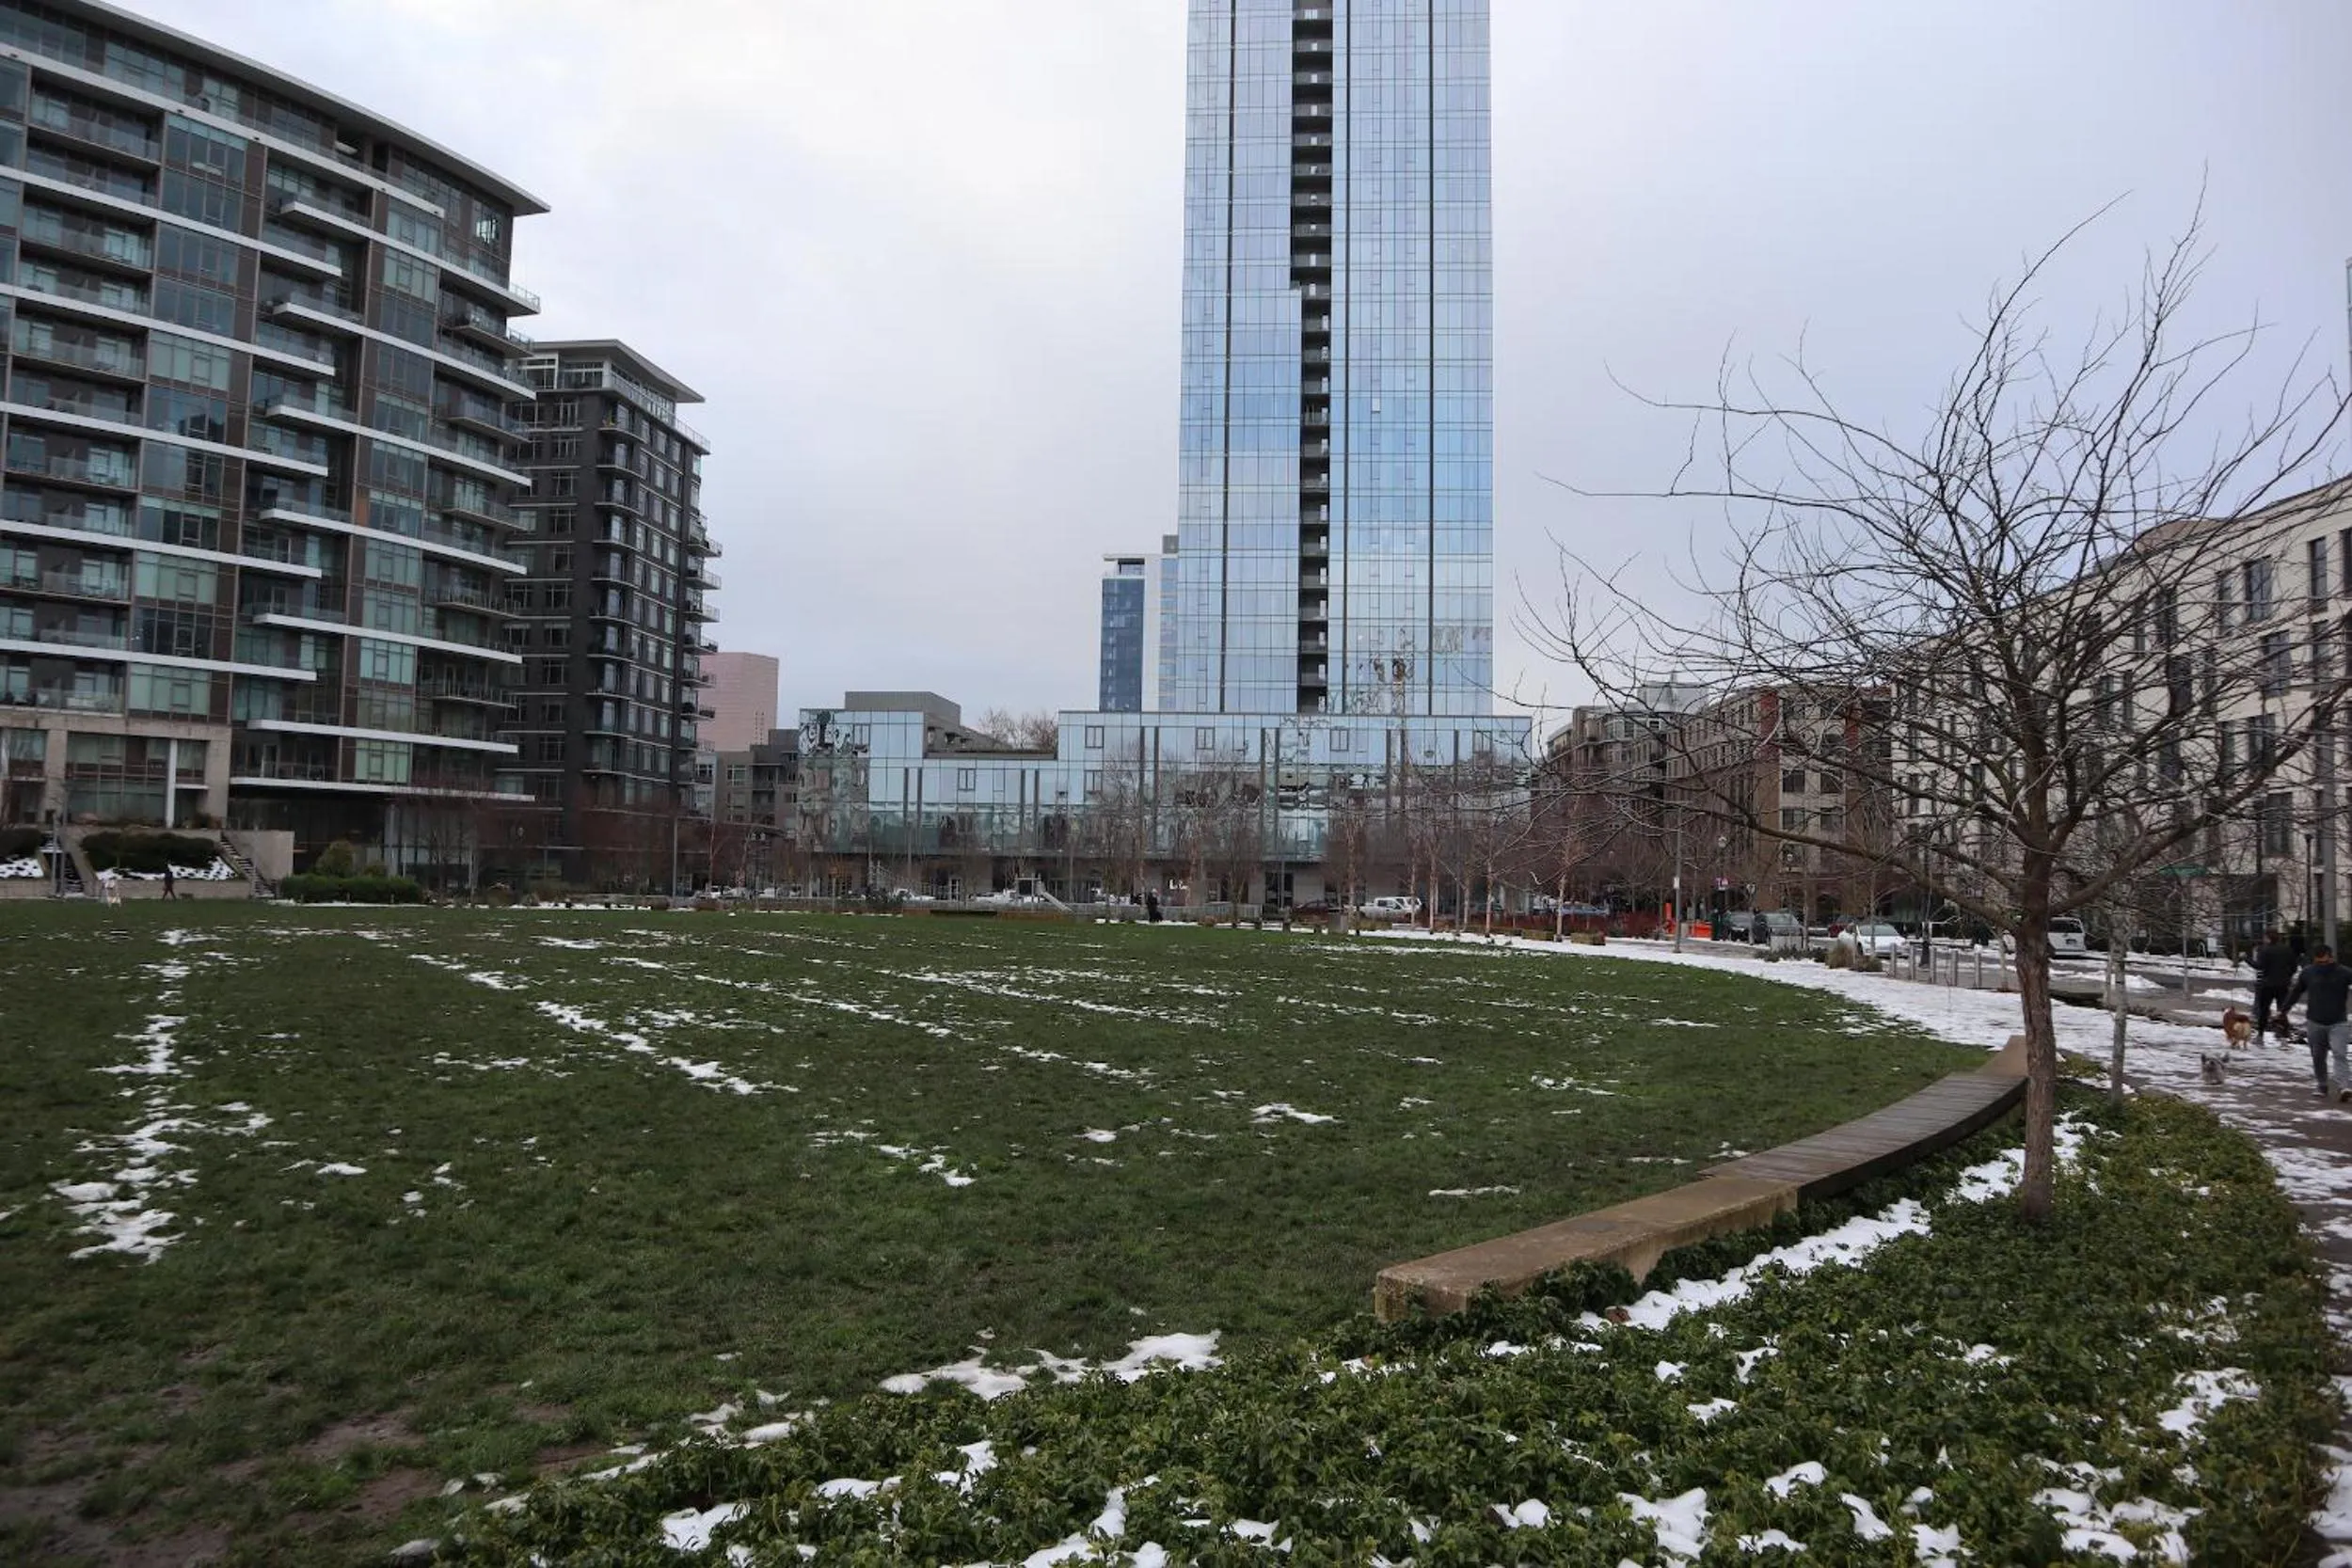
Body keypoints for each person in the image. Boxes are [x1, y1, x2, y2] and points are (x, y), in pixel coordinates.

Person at [2286, 944, 2352, 1101]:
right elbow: (2297, 991)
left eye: (2325, 962)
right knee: (2317, 1055)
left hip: (2338, 1021)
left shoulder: (2344, 972)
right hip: (2315, 1021)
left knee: (2339, 1053)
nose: (2322, 966)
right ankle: (2322, 1085)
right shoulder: (2308, 972)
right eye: (2319, 963)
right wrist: (2284, 1010)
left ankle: (2344, 1086)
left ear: (2331, 958)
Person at [2249, 928, 2298, 1037]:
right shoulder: (2287, 949)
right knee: (2282, 1009)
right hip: (2283, 984)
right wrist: (2287, 976)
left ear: (2267, 938)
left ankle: (2261, 1033)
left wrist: (2246, 959)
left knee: (2264, 1009)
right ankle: (2284, 1032)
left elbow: (2259, 966)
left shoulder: (2265, 950)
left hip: (2267, 985)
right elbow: (2294, 967)